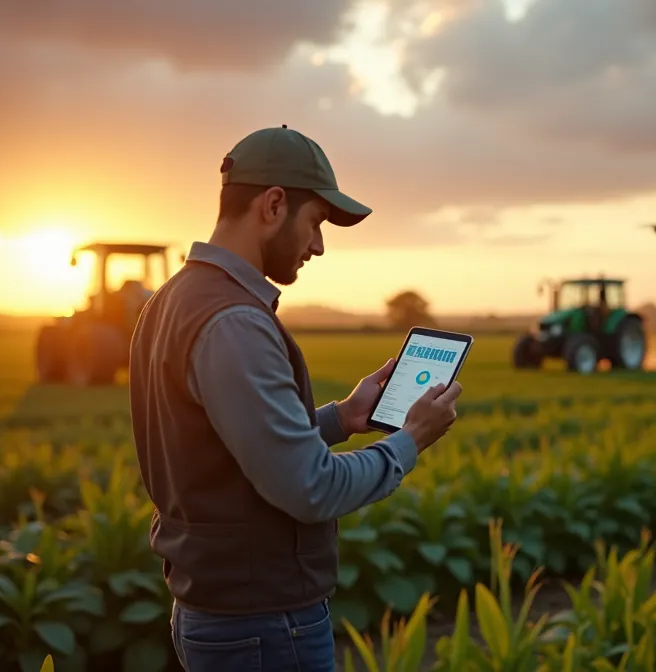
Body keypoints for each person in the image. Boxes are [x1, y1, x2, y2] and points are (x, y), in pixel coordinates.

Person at [128, 125, 462, 672]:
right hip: (262, 625)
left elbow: (224, 443)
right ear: (274, 205)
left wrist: (342, 418)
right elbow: (311, 487)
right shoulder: (235, 320)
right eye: (316, 223)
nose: (318, 245)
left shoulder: (173, 299)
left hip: (219, 615)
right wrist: (410, 440)